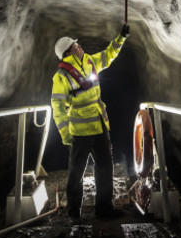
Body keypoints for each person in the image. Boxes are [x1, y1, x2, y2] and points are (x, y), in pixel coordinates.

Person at [50, 24, 130, 220]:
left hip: (99, 125)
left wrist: (121, 37)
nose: (80, 46)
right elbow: (58, 107)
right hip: (79, 131)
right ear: (69, 51)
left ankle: (104, 209)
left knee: (105, 165)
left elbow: (109, 55)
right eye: (76, 45)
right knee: (76, 172)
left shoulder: (90, 61)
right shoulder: (61, 76)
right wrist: (65, 134)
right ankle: (73, 212)